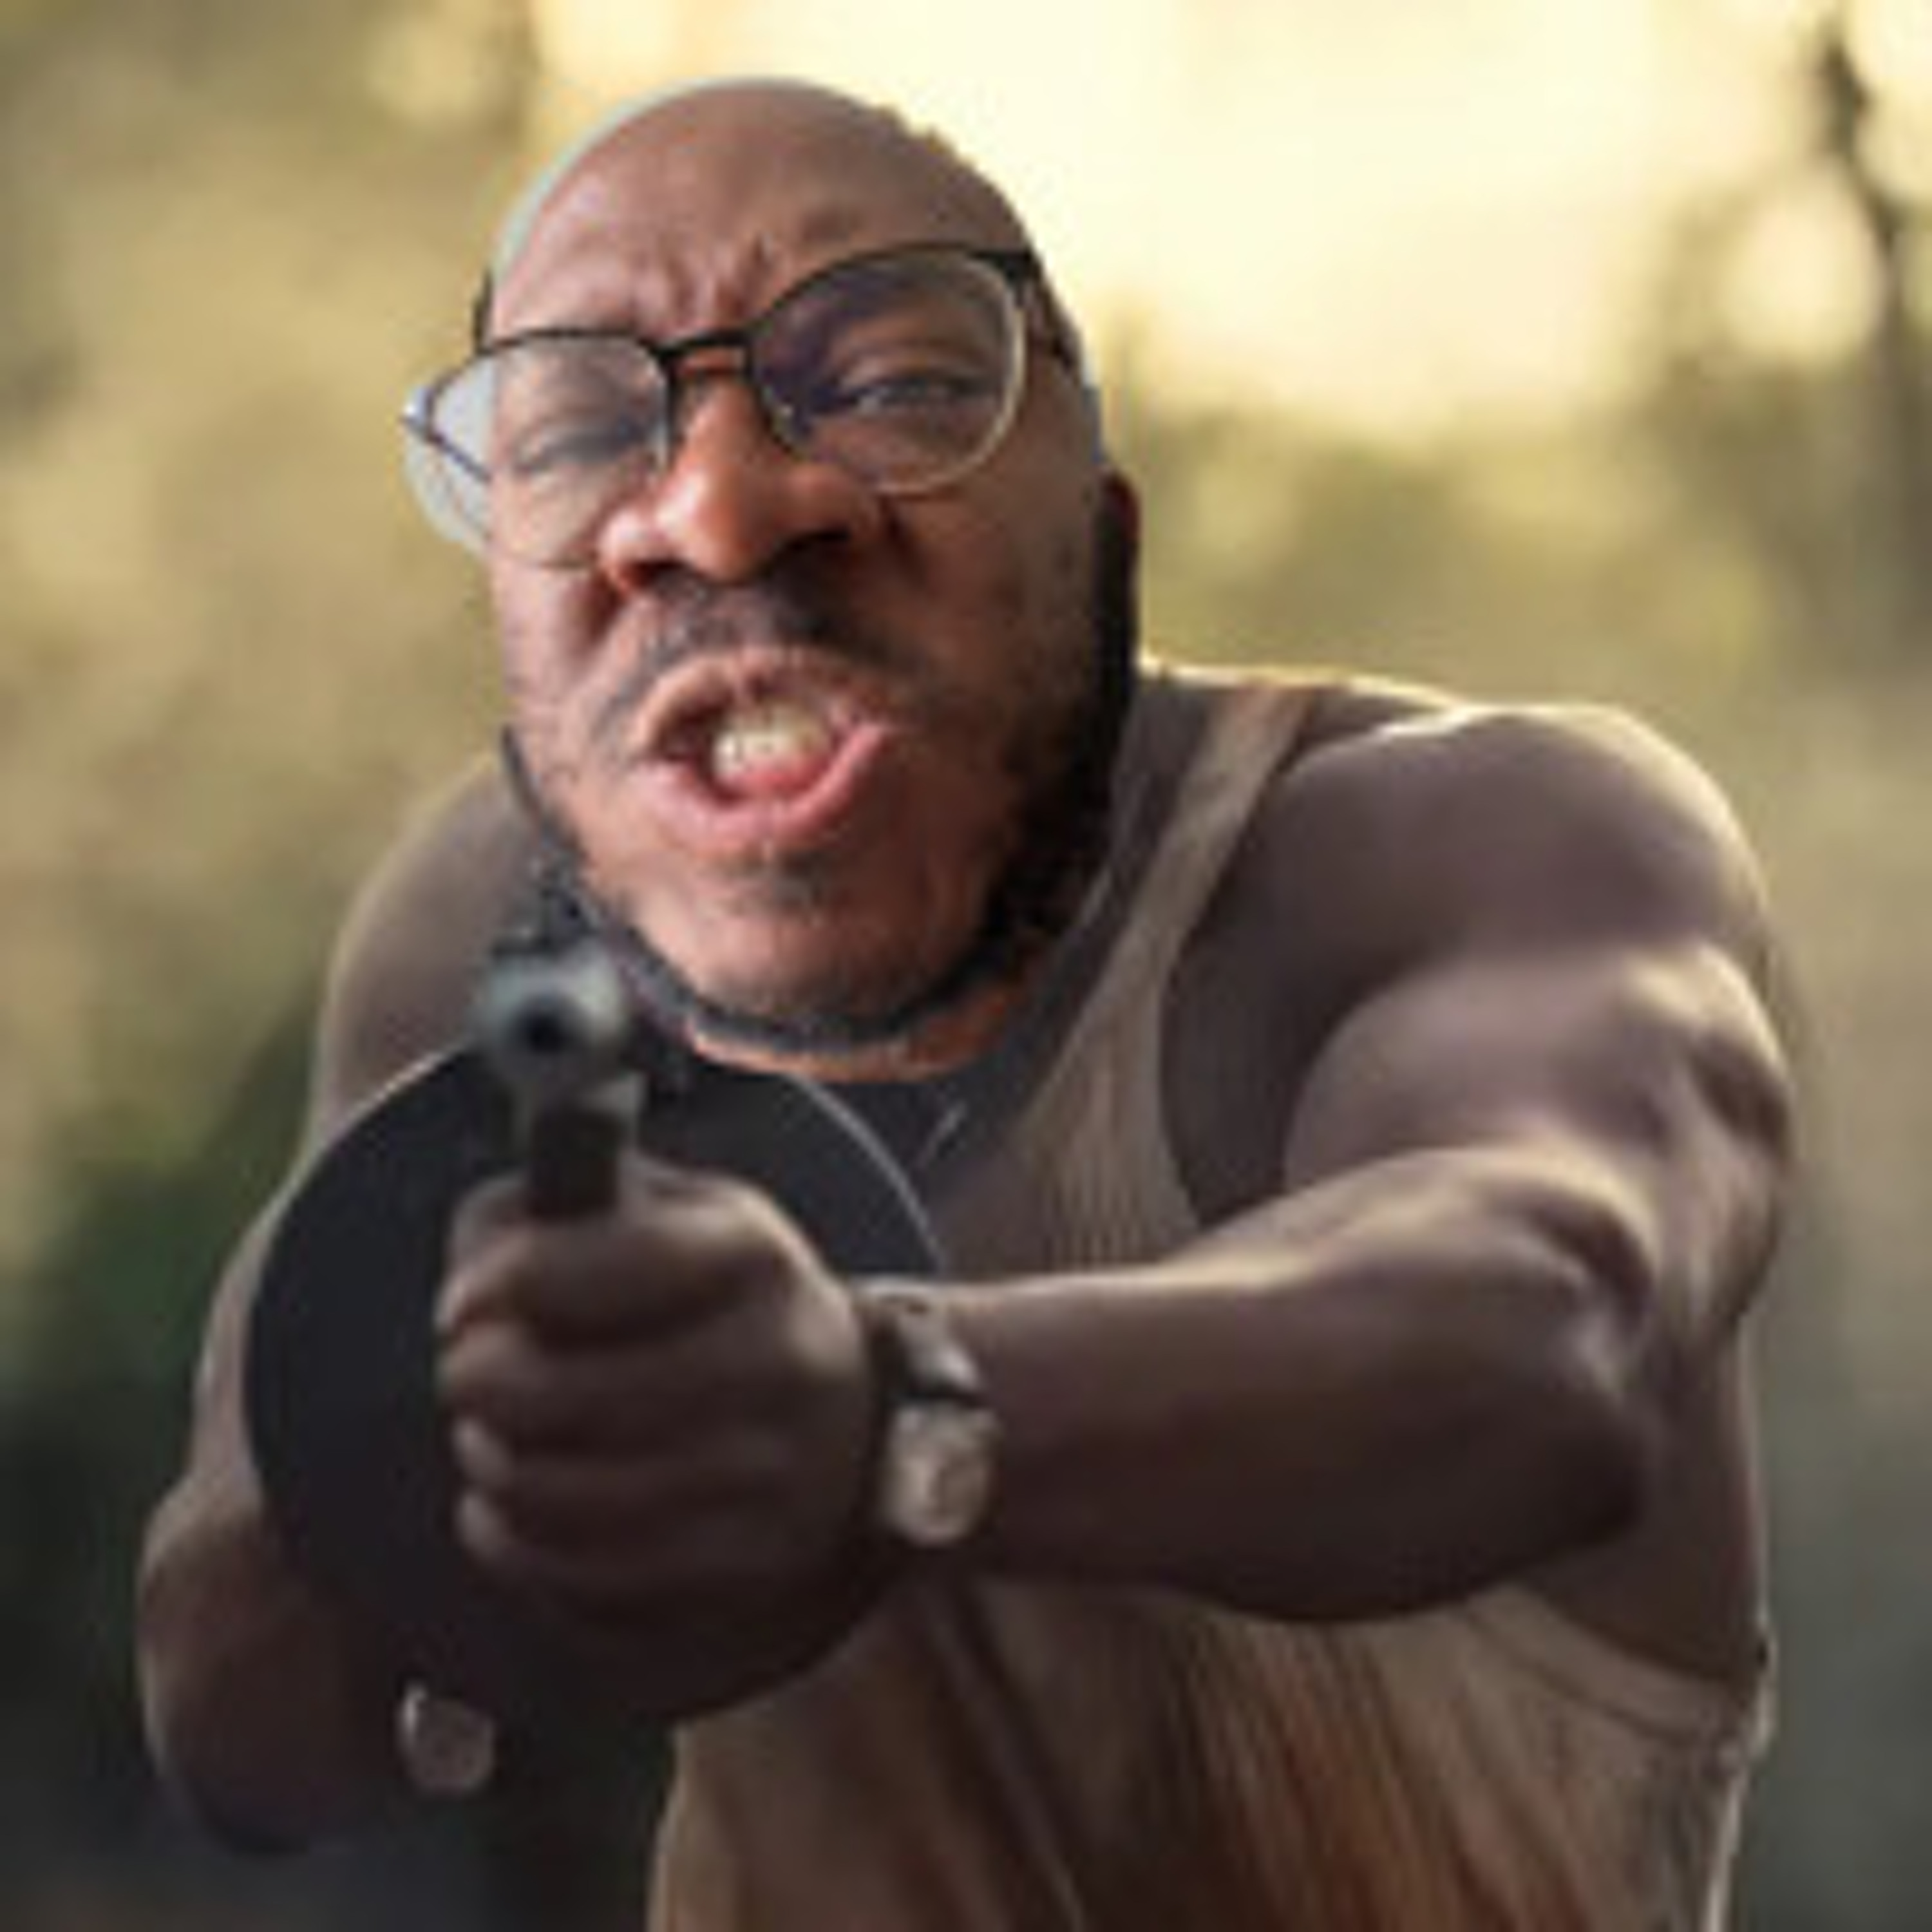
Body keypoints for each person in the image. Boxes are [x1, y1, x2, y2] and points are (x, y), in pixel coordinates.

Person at [137, 75, 1795, 1930]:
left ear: (1106, 532)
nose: (718, 511)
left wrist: (885, 1410)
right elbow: (248, 1733)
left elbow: (1547, 1327)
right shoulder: (493, 928)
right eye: (578, 431)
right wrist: (425, 1440)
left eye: (894, 382)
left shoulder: (1463, 847)